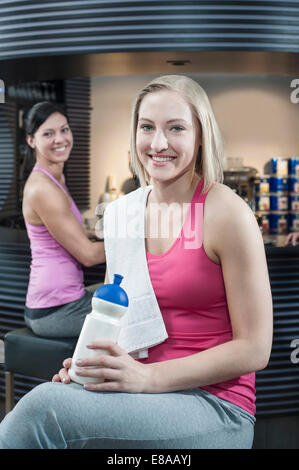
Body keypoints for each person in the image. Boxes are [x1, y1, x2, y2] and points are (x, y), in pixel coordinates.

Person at [0, 76, 273, 449]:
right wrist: (91, 366)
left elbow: (255, 348)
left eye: (176, 128)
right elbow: (120, 319)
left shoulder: (226, 213)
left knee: (42, 412)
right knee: (39, 408)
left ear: (200, 135)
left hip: (215, 404)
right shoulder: (125, 213)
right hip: (143, 391)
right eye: (147, 127)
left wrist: (147, 379)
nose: (158, 143)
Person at [21, 102, 105, 338]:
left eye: (64, 130)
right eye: (48, 133)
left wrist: (101, 234)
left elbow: (70, 232)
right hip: (55, 310)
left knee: (119, 293)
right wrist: (138, 242)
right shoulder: (42, 188)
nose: (60, 139)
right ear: (31, 141)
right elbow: (88, 256)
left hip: (62, 299)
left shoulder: (55, 178)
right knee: (136, 317)